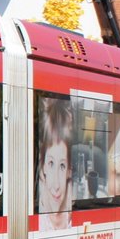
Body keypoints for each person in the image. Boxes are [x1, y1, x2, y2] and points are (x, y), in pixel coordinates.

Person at [38, 96, 73, 229]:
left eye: (62, 166)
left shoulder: (71, 222)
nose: (56, 185)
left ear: (69, 170)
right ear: (43, 167)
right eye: (51, 164)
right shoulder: (40, 224)